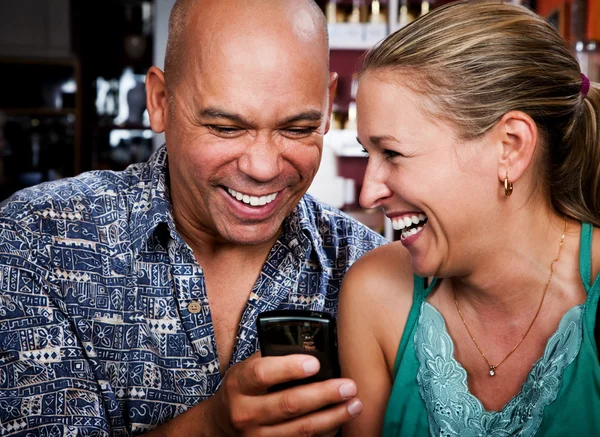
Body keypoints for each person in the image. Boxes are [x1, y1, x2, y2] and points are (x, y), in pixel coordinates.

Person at [0, 0, 387, 435]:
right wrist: (212, 427)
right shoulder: (36, 241)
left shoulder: (372, 267)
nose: (263, 167)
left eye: (297, 129)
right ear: (160, 101)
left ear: (328, 101)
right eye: (225, 128)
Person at [338, 1, 600, 436]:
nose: (370, 191)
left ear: (510, 147)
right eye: (369, 153)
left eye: (393, 153)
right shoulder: (375, 293)